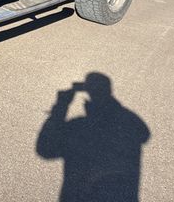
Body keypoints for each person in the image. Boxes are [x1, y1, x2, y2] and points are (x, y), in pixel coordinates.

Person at [37, 72, 150, 202]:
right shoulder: (127, 129)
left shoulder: (79, 129)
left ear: (87, 91)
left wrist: (60, 107)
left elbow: (45, 148)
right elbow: (142, 132)